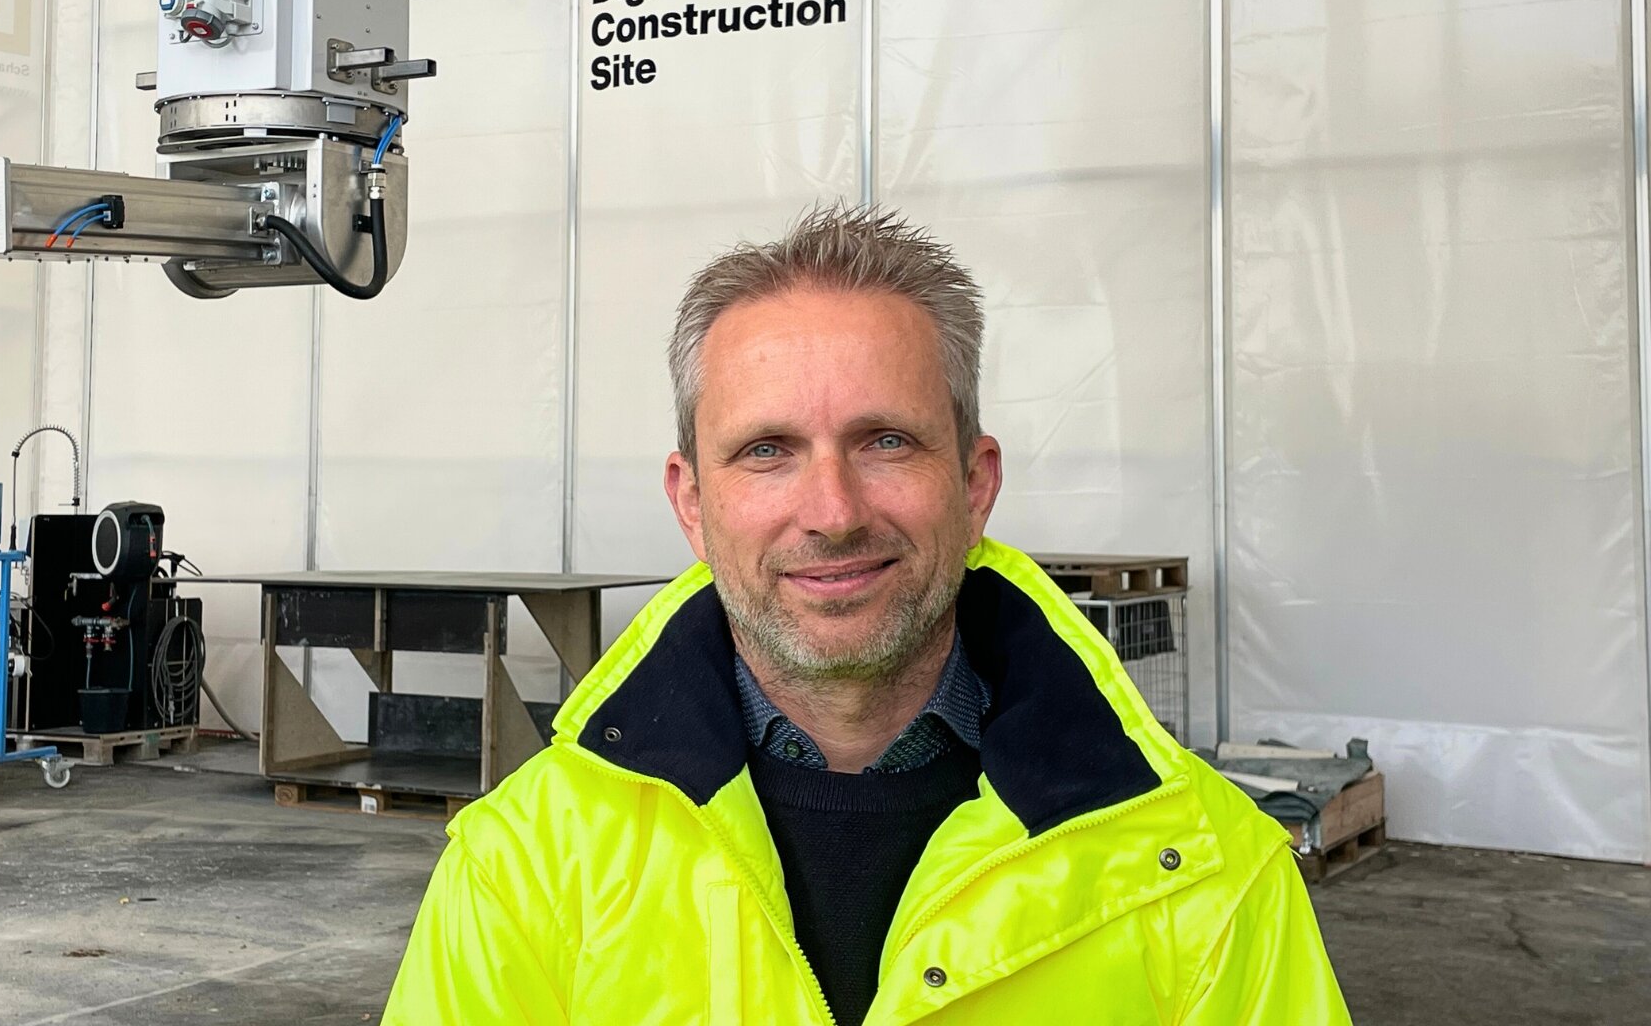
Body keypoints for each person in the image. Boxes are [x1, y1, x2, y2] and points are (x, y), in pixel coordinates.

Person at [383, 205, 1349, 1024]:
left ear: (975, 484)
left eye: (886, 440)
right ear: (691, 504)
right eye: (767, 450)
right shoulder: (525, 866)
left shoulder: (1208, 873)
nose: (835, 512)